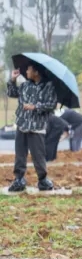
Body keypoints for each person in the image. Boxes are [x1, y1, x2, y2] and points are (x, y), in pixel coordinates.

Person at [6, 63, 57, 192]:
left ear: (36, 72)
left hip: (37, 126)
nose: (26, 71)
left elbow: (52, 105)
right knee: (20, 154)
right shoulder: (25, 85)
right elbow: (11, 93)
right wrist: (13, 79)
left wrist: (35, 107)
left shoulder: (48, 86)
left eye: (28, 69)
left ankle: (42, 180)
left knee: (38, 155)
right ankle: (19, 179)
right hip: (22, 124)